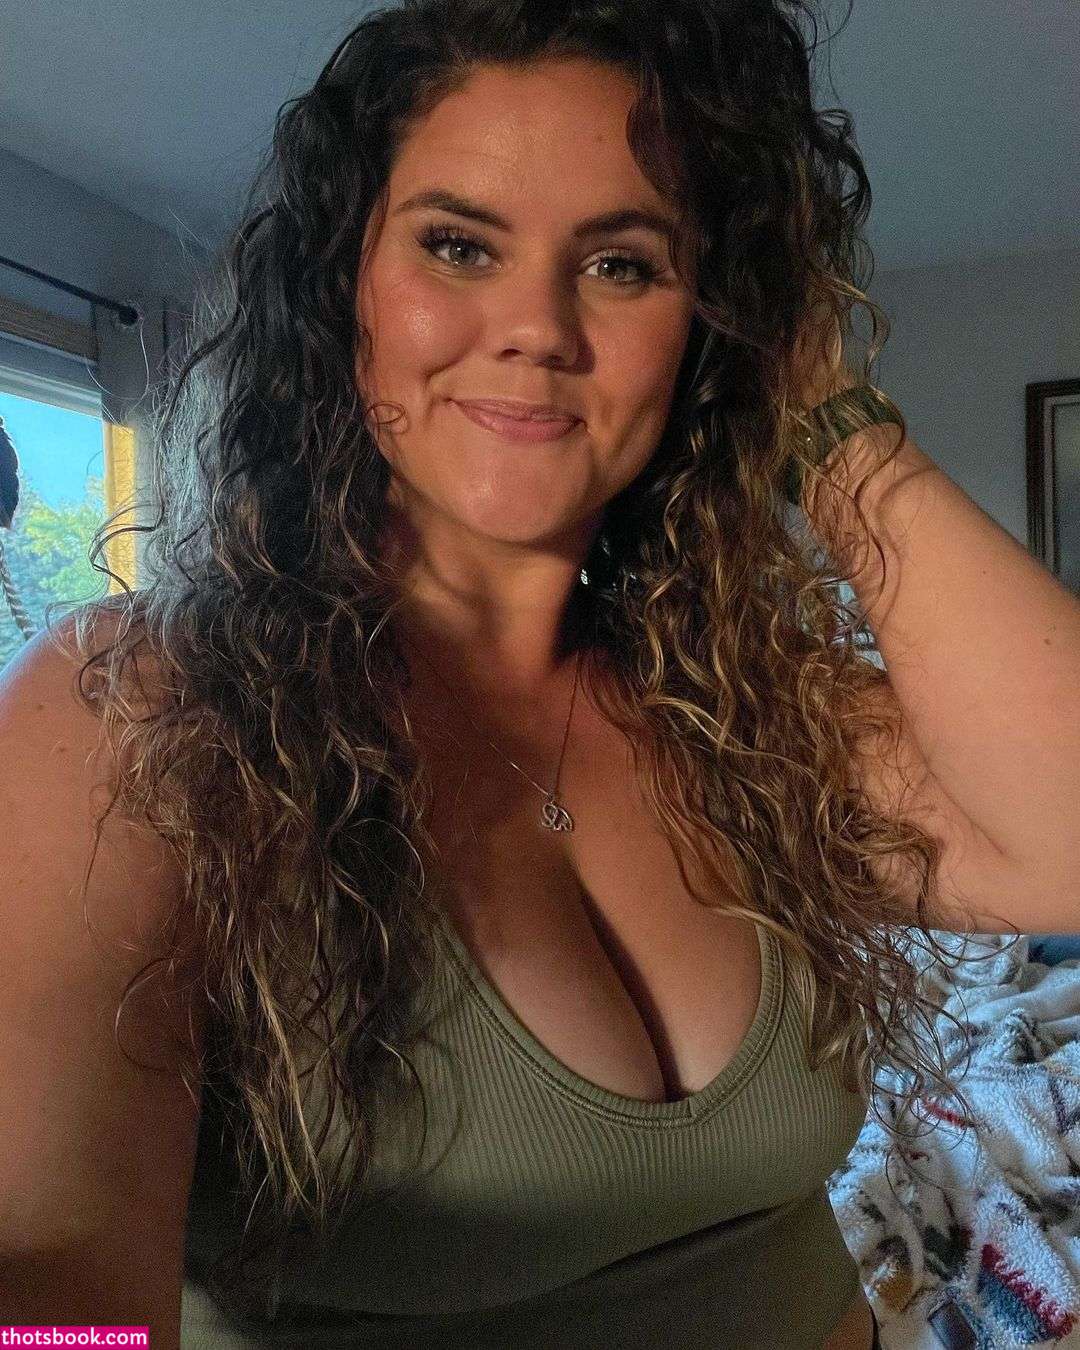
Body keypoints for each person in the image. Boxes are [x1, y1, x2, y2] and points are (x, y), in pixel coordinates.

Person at [8, 0, 1079, 1345]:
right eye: (458, 245)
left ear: (711, 325)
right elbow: (43, 1269)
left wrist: (822, 407)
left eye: (623, 265)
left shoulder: (745, 704)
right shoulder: (136, 713)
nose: (537, 328)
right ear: (344, 290)